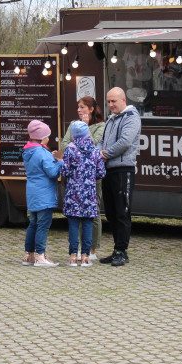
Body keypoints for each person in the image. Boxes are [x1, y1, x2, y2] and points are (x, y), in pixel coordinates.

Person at [59, 96, 106, 259]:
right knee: (76, 215)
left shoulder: (101, 125)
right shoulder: (73, 124)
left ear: (91, 109)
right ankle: (79, 250)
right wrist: (74, 145)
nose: (78, 110)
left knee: (92, 214)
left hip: (91, 180)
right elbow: (64, 144)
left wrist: (83, 130)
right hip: (74, 179)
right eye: (78, 107)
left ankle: (91, 249)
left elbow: (94, 144)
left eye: (82, 107)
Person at [99, 87, 141, 267]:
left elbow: (125, 142)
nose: (110, 105)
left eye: (114, 101)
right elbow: (102, 139)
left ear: (123, 100)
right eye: (108, 102)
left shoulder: (132, 118)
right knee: (111, 212)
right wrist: (99, 151)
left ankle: (122, 251)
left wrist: (106, 154)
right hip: (108, 169)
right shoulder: (110, 119)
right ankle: (116, 248)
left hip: (123, 169)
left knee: (122, 212)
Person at [22, 119, 62, 267]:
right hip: (44, 194)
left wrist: (50, 157)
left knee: (33, 224)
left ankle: (29, 255)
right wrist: (59, 161)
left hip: (32, 193)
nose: (49, 138)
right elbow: (52, 173)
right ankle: (40, 255)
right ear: (42, 137)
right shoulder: (41, 152)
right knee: (43, 225)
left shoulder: (29, 150)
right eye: (48, 136)